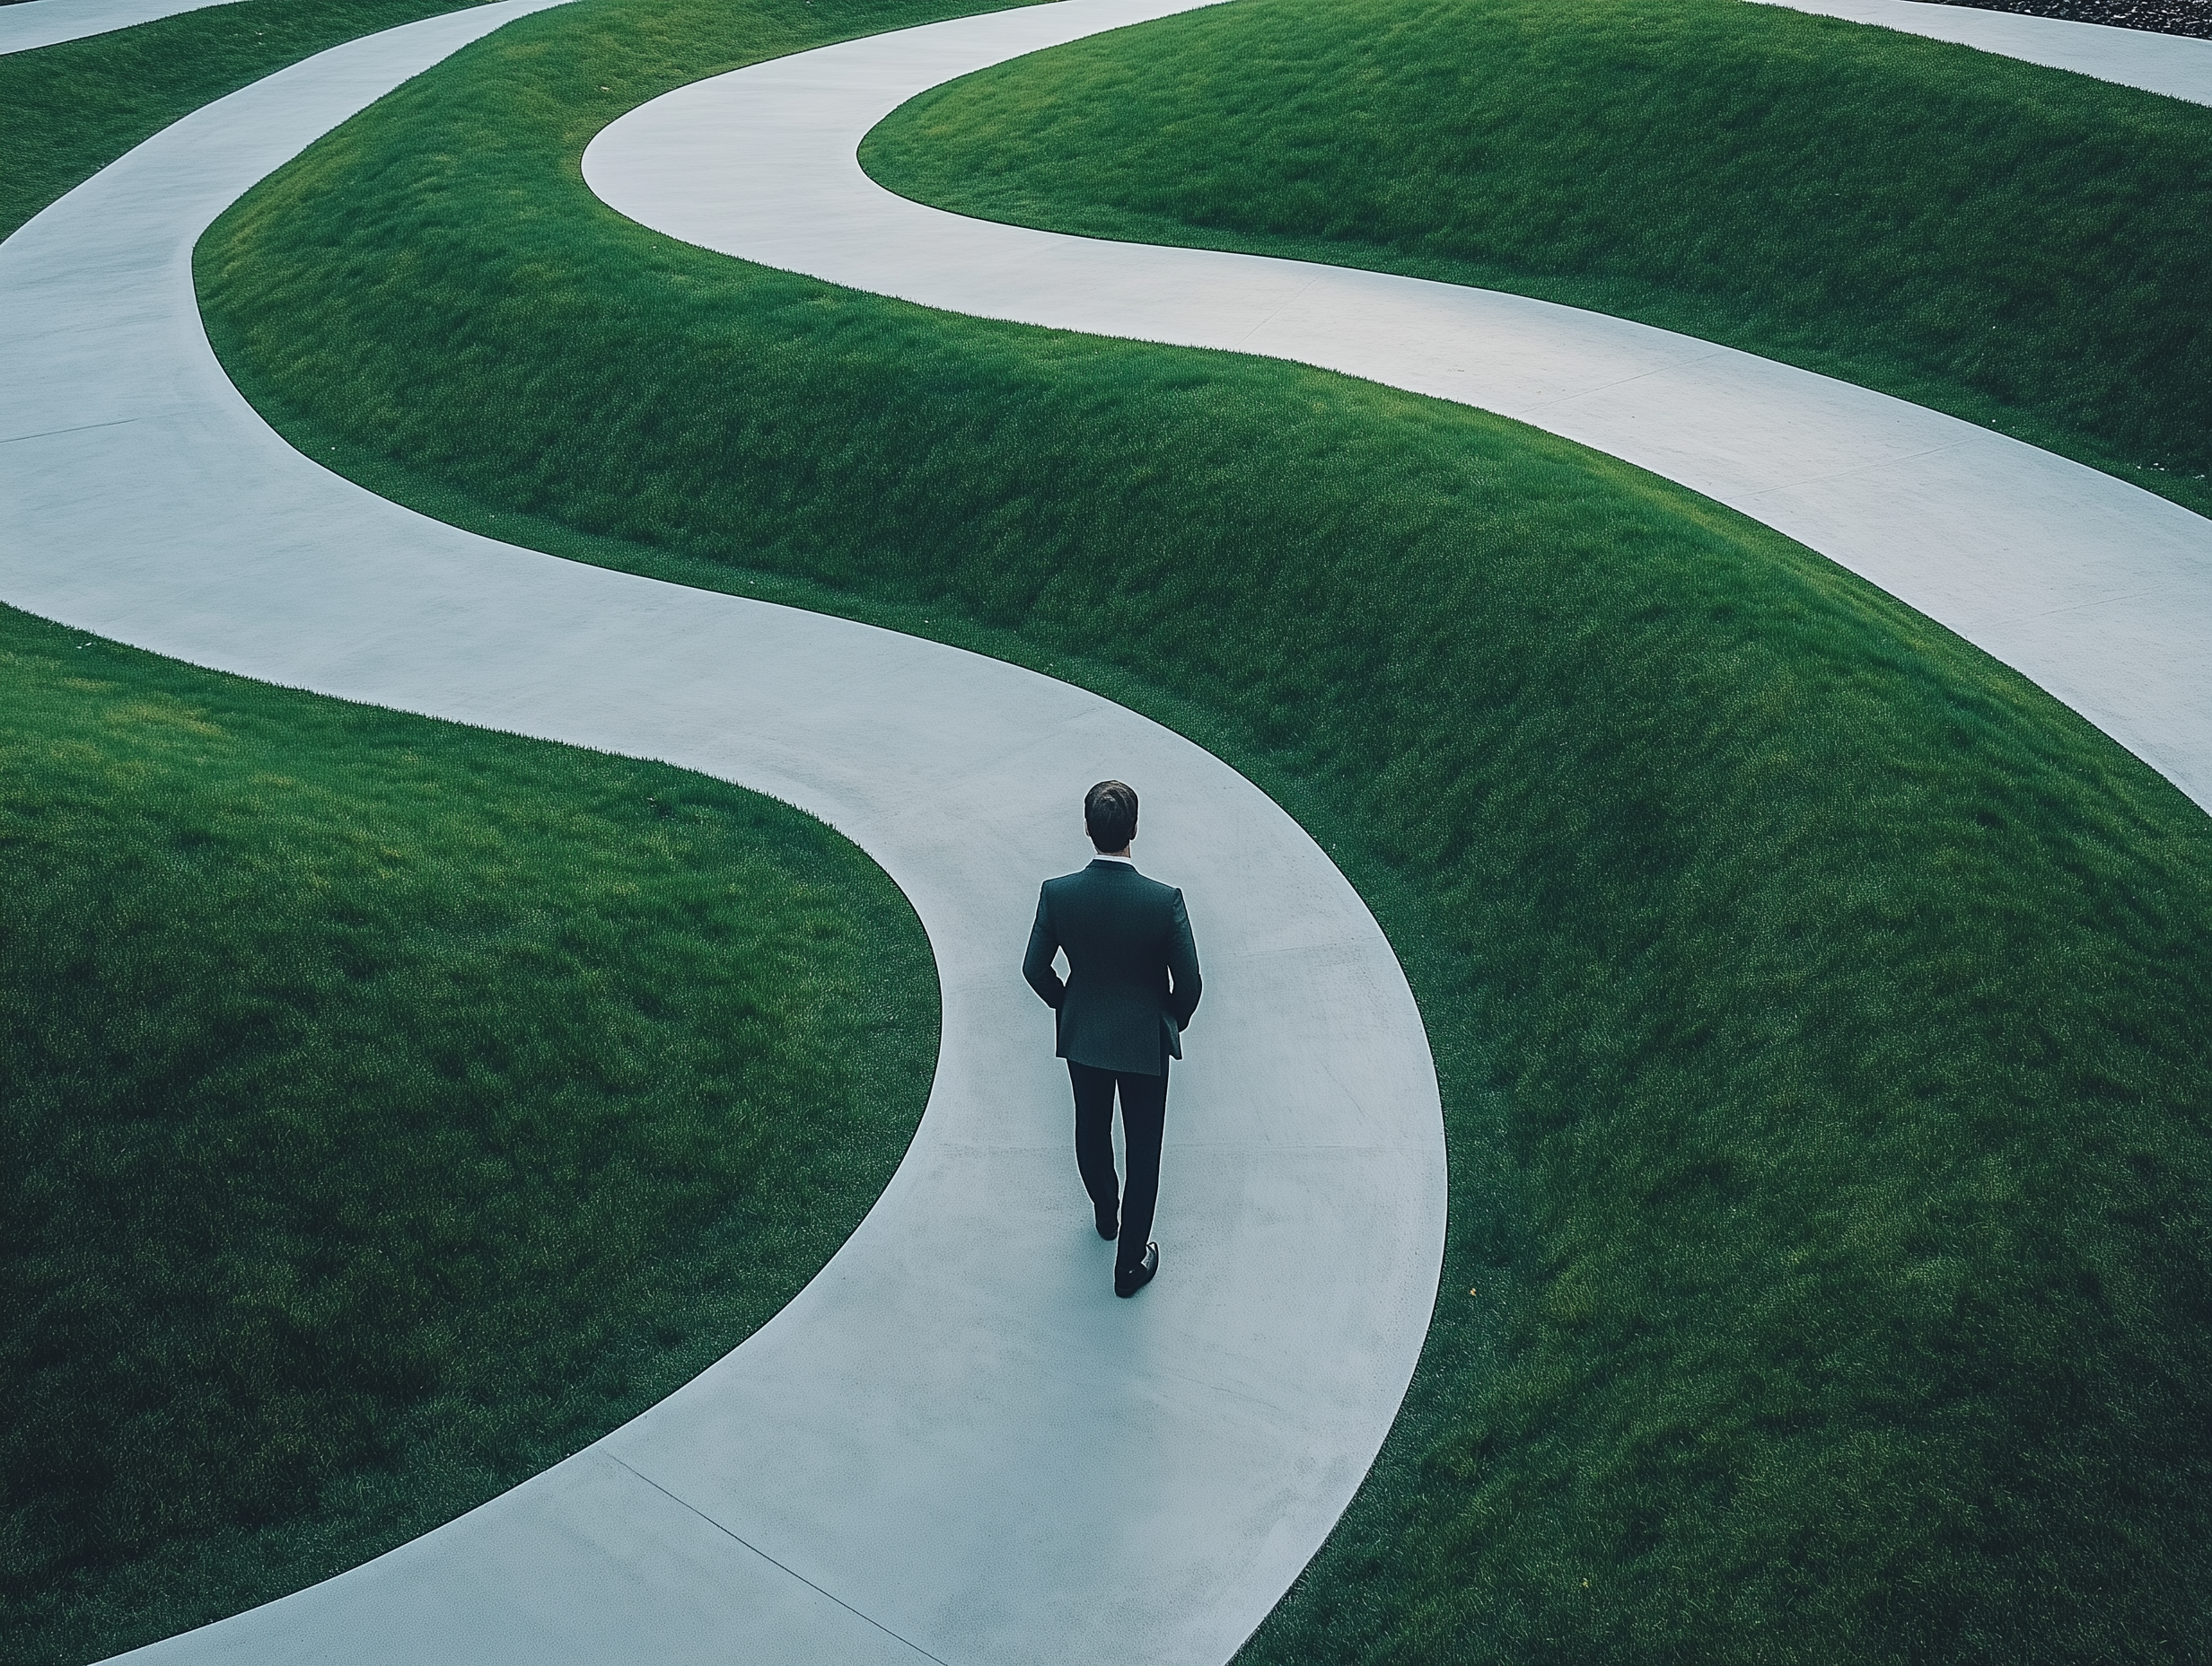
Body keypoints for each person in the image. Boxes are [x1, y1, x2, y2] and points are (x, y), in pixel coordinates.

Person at [1022, 779, 1202, 1298]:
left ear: (1087, 829)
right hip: (1145, 1043)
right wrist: (1170, 1019)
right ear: (1135, 829)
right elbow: (1189, 984)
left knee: (1091, 1128)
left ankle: (1106, 1211)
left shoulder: (1058, 894)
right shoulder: (1163, 901)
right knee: (1144, 1150)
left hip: (1085, 1041)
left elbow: (1035, 969)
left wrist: (1068, 1004)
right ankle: (1129, 1266)